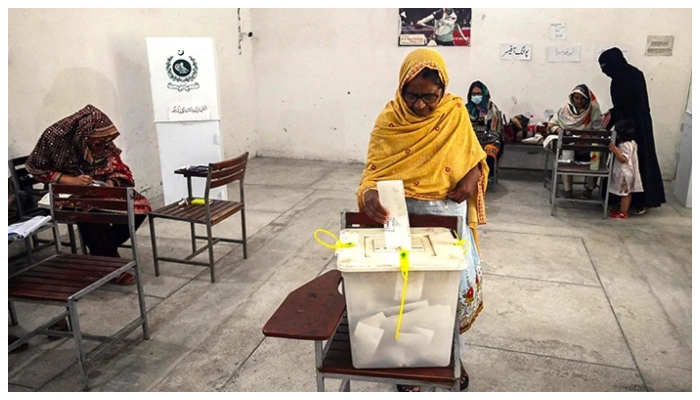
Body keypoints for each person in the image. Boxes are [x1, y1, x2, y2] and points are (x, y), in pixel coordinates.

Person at [357, 48, 488, 392]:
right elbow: (373, 172)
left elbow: (474, 157)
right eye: (411, 95)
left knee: (447, 296)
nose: (419, 105)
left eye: (429, 96)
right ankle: (409, 366)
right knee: (407, 297)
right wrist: (370, 195)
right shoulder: (389, 121)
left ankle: (449, 357)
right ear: (400, 88)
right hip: (403, 217)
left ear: (442, 90)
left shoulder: (454, 113)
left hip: (449, 217)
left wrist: (471, 178)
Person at [26, 104, 152, 286]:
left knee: (139, 206)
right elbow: (35, 167)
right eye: (95, 143)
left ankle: (101, 253)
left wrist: (111, 182)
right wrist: (71, 180)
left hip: (96, 187)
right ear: (83, 135)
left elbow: (116, 164)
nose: (99, 146)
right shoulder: (54, 136)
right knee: (91, 212)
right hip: (65, 192)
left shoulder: (99, 137)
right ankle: (109, 263)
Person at [598, 47, 665, 214]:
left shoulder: (632, 76)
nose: (603, 71)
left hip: (637, 127)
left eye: (604, 66)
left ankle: (643, 201)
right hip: (624, 126)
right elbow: (623, 104)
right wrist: (613, 113)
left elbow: (635, 104)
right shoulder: (620, 77)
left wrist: (624, 125)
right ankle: (618, 198)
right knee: (622, 165)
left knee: (638, 162)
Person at [546, 84, 603, 199]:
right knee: (566, 153)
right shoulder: (564, 110)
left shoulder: (593, 110)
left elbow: (600, 129)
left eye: (582, 98)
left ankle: (589, 189)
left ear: (587, 99)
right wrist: (560, 131)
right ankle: (568, 189)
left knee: (596, 152)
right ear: (572, 98)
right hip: (569, 143)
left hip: (588, 145)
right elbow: (551, 125)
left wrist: (589, 135)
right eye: (576, 98)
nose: (579, 101)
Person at [466, 80, 504, 179]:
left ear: (484, 94)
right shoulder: (466, 109)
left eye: (479, 94)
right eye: (473, 94)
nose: (476, 96)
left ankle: (485, 176)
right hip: (470, 140)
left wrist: (481, 141)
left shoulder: (492, 109)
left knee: (489, 150)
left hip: (489, 140)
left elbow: (495, 131)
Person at [608, 119, 643, 219]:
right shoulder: (633, 143)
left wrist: (616, 151)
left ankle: (623, 212)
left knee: (624, 194)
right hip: (629, 172)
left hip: (625, 173)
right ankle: (623, 210)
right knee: (627, 193)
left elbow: (623, 159)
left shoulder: (624, 146)